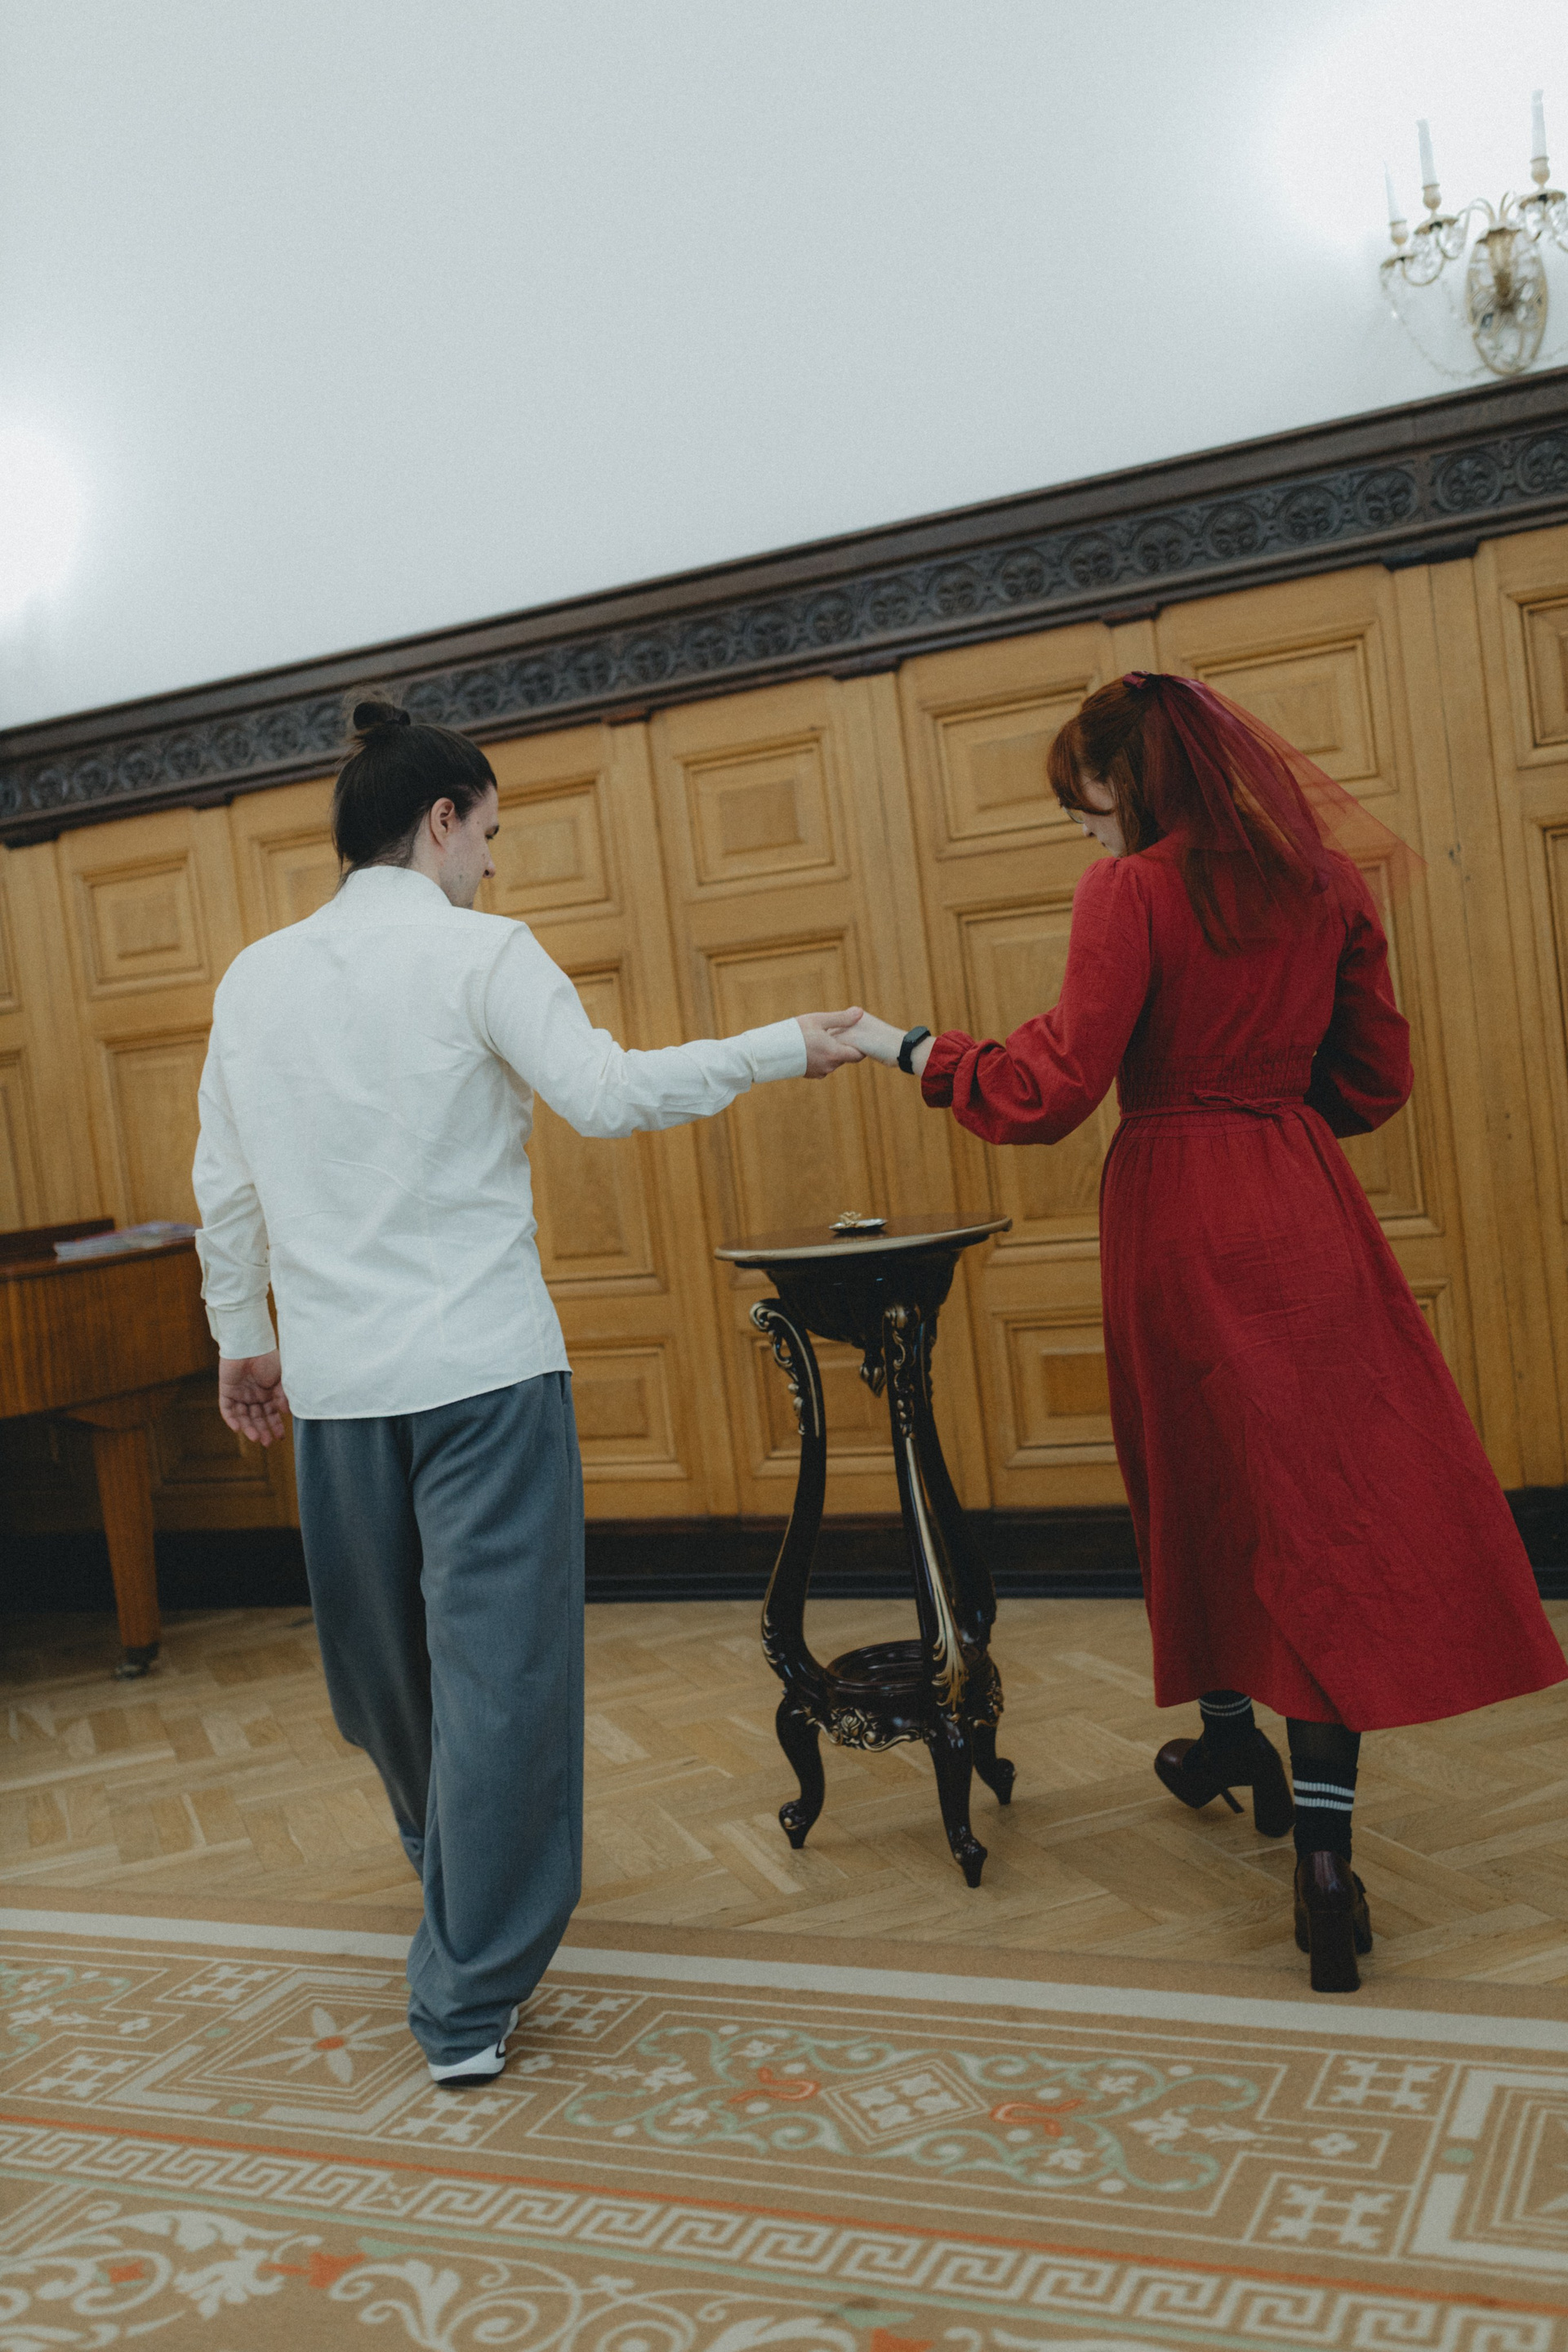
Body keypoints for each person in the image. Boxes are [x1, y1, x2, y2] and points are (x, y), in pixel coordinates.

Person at [843, 671, 1566, 1993]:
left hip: (1177, 1210)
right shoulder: (1325, 884)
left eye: (1087, 802)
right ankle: (1321, 1849)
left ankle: (1234, 1734)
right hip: (1304, 1201)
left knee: (1202, 1480)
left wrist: (911, 1049)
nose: (1085, 828)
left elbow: (1052, 1087)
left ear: (1137, 781)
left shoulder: (1130, 892)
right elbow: (1375, 1080)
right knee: (1324, 1512)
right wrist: (1267, 1110)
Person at [192, 697, 864, 2081]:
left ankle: (464, 1945)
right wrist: (784, 1043)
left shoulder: (254, 978)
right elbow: (609, 1096)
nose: (492, 863)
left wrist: (240, 1336)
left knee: (387, 1682)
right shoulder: (482, 952)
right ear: (440, 821)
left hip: (338, 1388)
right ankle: (472, 1970)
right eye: (488, 834)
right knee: (495, 1681)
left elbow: (226, 1181)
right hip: (483, 1376)